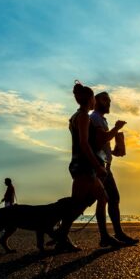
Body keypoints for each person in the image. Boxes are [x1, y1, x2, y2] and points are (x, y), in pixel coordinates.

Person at [54, 82, 115, 251]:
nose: (95, 102)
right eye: (93, 98)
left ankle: (102, 237)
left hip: (80, 165)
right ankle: (62, 236)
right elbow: (83, 143)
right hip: (83, 166)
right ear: (90, 100)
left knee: (95, 200)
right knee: (82, 203)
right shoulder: (83, 116)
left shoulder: (75, 116)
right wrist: (97, 166)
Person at [90, 92, 138, 245]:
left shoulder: (100, 119)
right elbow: (100, 139)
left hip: (105, 166)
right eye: (105, 100)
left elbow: (101, 145)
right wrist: (116, 128)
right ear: (96, 101)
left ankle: (116, 233)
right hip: (99, 167)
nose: (109, 103)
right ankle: (106, 236)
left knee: (112, 198)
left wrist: (115, 151)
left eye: (109, 100)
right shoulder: (95, 117)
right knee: (92, 201)